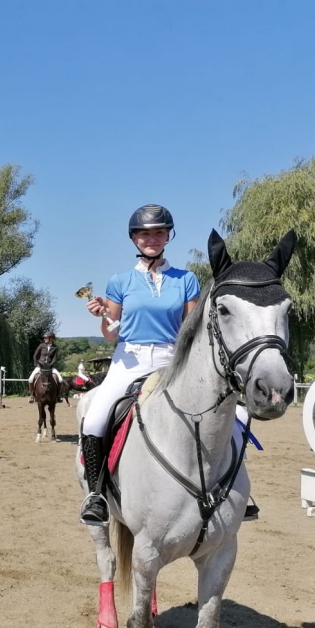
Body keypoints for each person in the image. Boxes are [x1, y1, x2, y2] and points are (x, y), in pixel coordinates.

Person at [78, 204, 202, 524]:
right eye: (145, 233)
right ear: (134, 238)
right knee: (94, 420)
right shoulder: (120, 281)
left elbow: (191, 328)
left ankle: (233, 490)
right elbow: (109, 334)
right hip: (129, 359)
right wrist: (101, 316)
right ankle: (96, 494)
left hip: (171, 359)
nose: (152, 238)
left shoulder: (186, 279)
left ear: (167, 236)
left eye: (159, 232)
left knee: (235, 414)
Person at [28, 332, 63, 402]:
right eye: (44, 338)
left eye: (46, 338)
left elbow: (54, 359)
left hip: (50, 367)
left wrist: (50, 365)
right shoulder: (41, 345)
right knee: (30, 379)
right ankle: (32, 395)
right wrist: (36, 364)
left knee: (60, 379)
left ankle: (58, 396)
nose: (44, 339)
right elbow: (35, 356)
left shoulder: (55, 347)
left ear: (51, 339)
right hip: (40, 366)